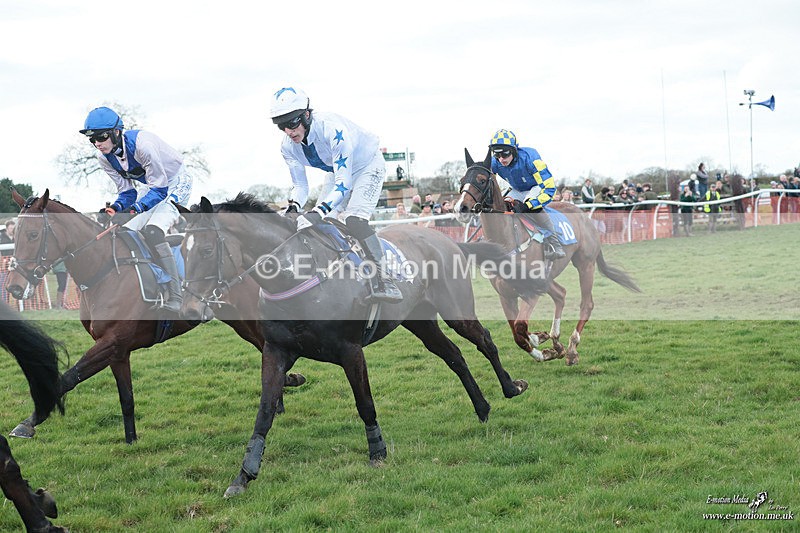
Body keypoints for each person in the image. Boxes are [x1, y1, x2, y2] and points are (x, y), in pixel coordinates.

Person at [270, 86, 402, 303]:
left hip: (367, 166)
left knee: (354, 221)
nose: (289, 131)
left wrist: (317, 211)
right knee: (323, 223)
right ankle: (343, 273)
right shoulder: (287, 147)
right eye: (282, 126)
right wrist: (293, 208)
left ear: (307, 115)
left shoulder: (331, 129)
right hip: (337, 171)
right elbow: (301, 186)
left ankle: (385, 279)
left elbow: (344, 183)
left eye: (292, 123)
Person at [80, 106, 193, 313]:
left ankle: (177, 294)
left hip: (175, 182)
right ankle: (154, 282)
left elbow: (160, 190)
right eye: (92, 139)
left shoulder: (144, 146)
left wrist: (133, 210)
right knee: (125, 231)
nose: (97, 143)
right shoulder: (104, 158)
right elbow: (127, 193)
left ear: (116, 132)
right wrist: (114, 209)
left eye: (101, 137)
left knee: (153, 230)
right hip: (153, 187)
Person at [488, 129, 565, 259]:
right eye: (497, 154)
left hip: (536, 187)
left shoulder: (531, 157)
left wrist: (528, 205)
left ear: (514, 150)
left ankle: (554, 242)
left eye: (505, 154)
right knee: (503, 206)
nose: (501, 159)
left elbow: (550, 189)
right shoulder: (494, 162)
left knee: (530, 207)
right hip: (516, 189)